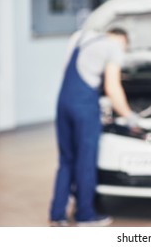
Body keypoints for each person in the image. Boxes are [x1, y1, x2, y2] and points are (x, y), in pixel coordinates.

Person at [50, 28, 139, 227]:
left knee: (66, 160)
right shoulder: (114, 47)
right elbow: (112, 87)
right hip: (84, 107)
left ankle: (57, 215)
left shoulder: (81, 37)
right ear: (123, 41)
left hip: (63, 103)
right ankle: (85, 215)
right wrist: (130, 117)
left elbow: (67, 70)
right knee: (85, 161)